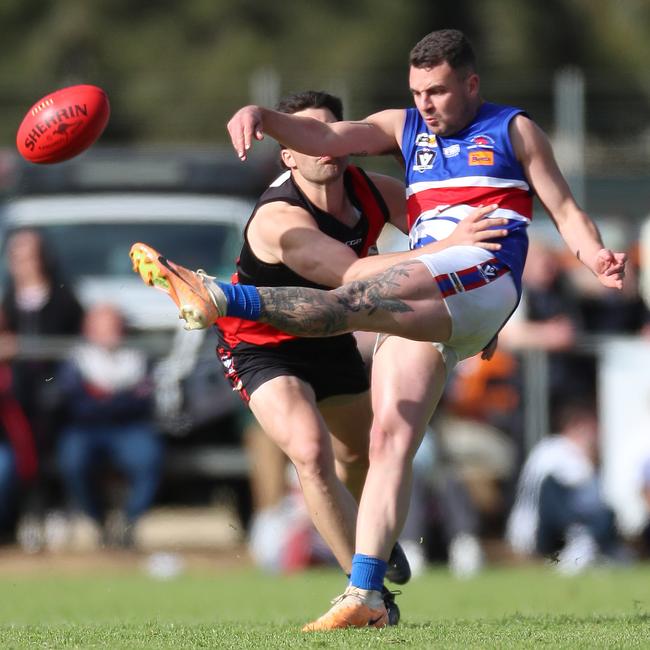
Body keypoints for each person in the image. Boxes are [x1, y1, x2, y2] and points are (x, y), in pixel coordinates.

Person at [131, 29, 626, 630]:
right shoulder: (377, 146)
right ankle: (367, 590)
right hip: (412, 296)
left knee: (347, 304)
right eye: (418, 92)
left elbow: (564, 208)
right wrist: (260, 115)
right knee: (389, 441)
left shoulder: (513, 130)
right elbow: (327, 135)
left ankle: (219, 295)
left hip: (479, 272)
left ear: (471, 84)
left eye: (439, 91)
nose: (427, 104)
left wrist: (593, 254)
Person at [134, 89, 506, 622]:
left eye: (328, 135)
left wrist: (476, 311)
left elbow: (450, 237)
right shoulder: (277, 220)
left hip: (330, 337)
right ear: (288, 153)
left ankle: (367, 540)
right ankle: (368, 595)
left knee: (362, 455)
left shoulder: (376, 192)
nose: (321, 148)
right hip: (261, 346)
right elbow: (353, 276)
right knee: (309, 452)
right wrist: (447, 250)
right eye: (304, 139)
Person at [55, 303, 163, 548]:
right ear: (89, 330)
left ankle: (129, 520)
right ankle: (97, 519)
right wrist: (117, 400)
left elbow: (144, 400)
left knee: (149, 456)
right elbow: (75, 403)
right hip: (86, 429)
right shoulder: (76, 360)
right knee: (73, 460)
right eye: (103, 328)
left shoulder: (138, 358)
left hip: (128, 427)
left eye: (114, 327)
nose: (110, 333)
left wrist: (104, 400)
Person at [506, 400, 628, 574]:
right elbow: (586, 499)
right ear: (577, 426)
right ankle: (581, 541)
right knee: (560, 492)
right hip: (540, 533)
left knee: (606, 512)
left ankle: (586, 543)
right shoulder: (559, 450)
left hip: (533, 531)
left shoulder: (545, 448)